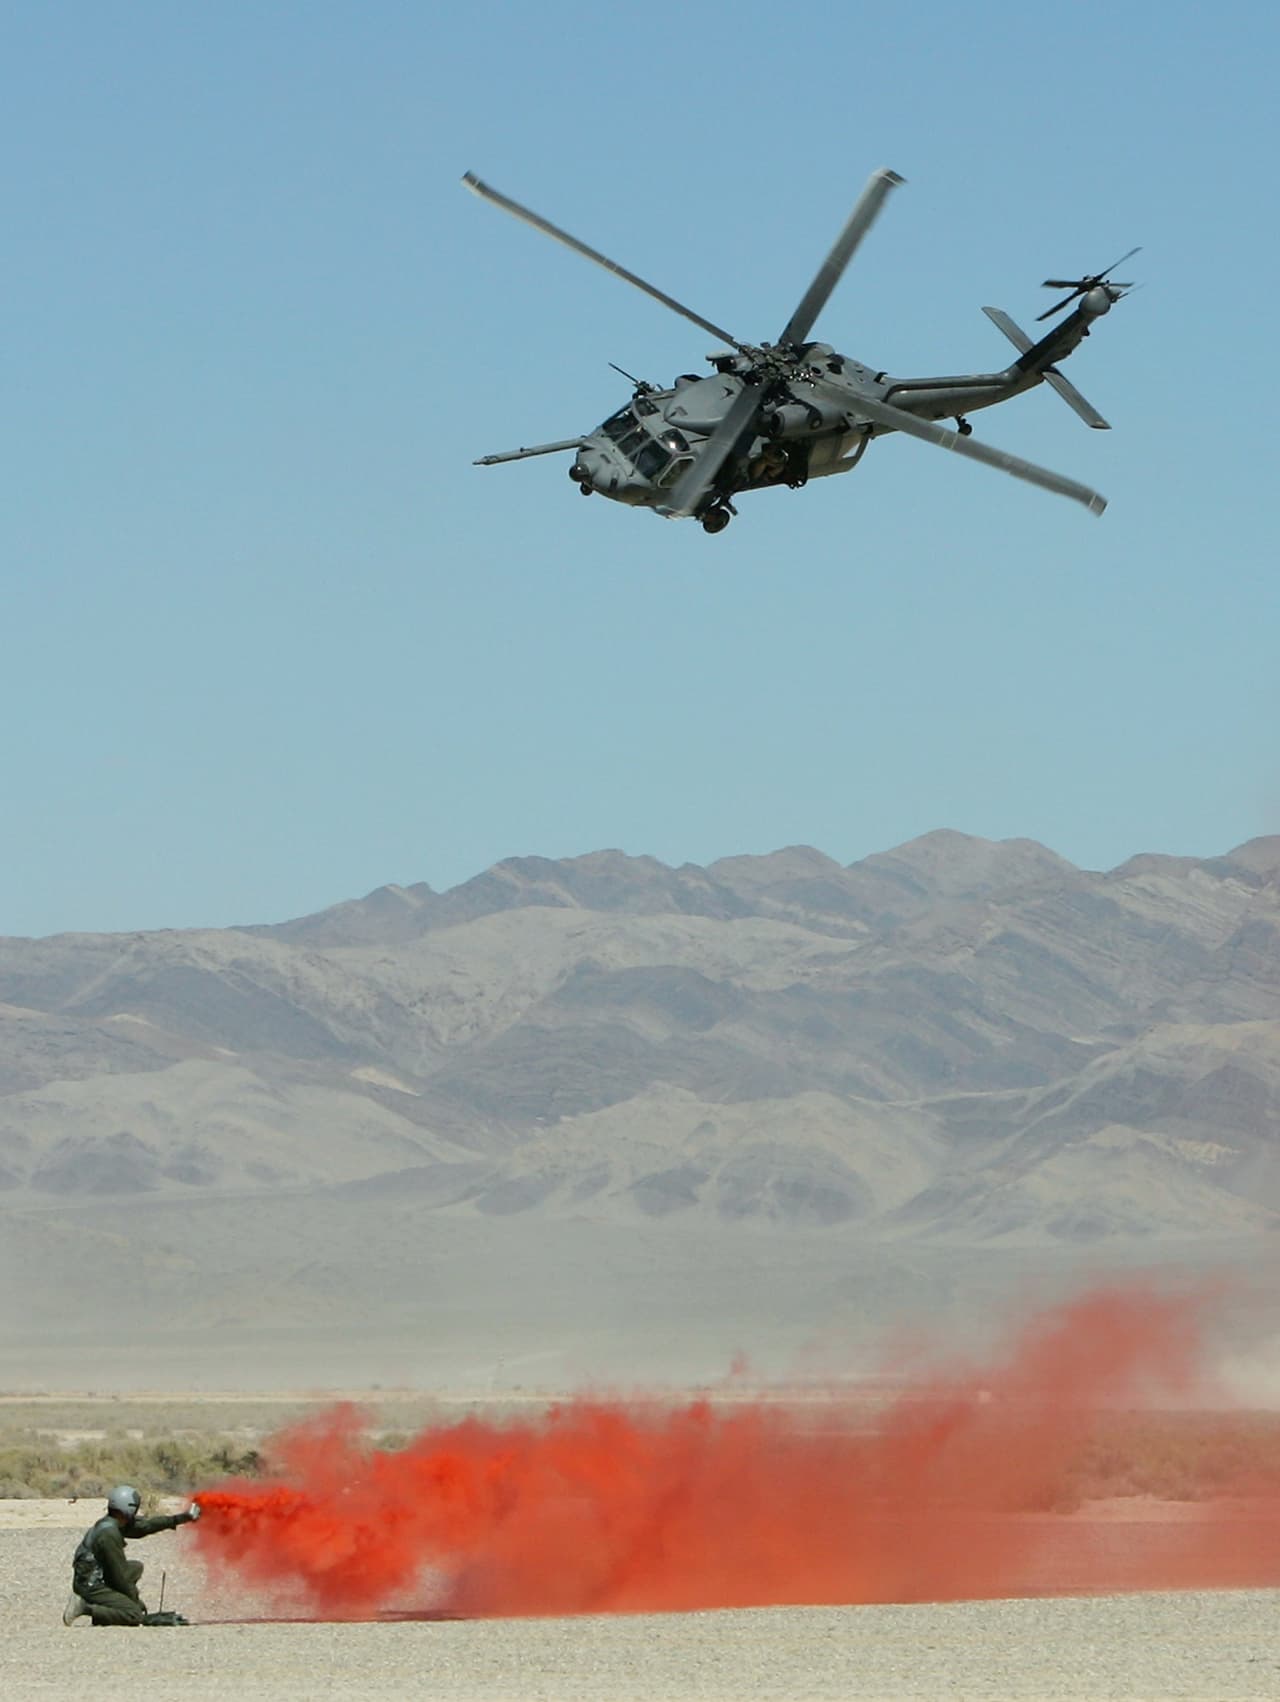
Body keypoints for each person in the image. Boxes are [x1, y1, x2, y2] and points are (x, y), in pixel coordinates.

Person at [63, 1483, 201, 1627]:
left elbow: (145, 1526)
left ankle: (107, 1612)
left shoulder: (113, 1523)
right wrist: (134, 1601)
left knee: (136, 1567)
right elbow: (119, 1576)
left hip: (96, 1577)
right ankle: (84, 1606)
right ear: (127, 1508)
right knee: (134, 1614)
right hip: (91, 1585)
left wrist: (181, 1518)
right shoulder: (109, 1534)